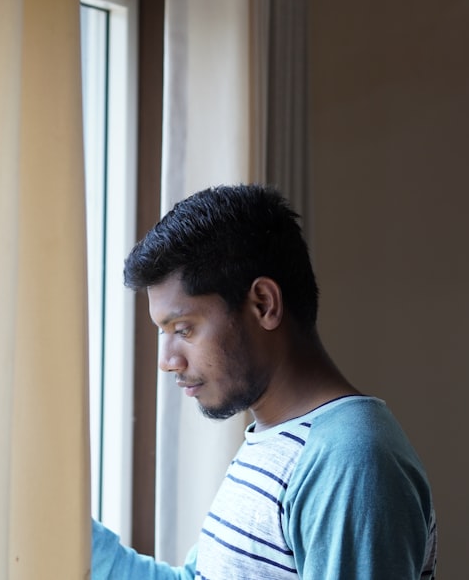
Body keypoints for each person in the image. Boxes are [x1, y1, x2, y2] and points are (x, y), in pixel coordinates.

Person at [91, 184, 438, 579]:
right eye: (162, 332)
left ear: (263, 305)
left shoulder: (350, 458)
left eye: (183, 329)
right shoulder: (276, 441)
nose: (167, 362)